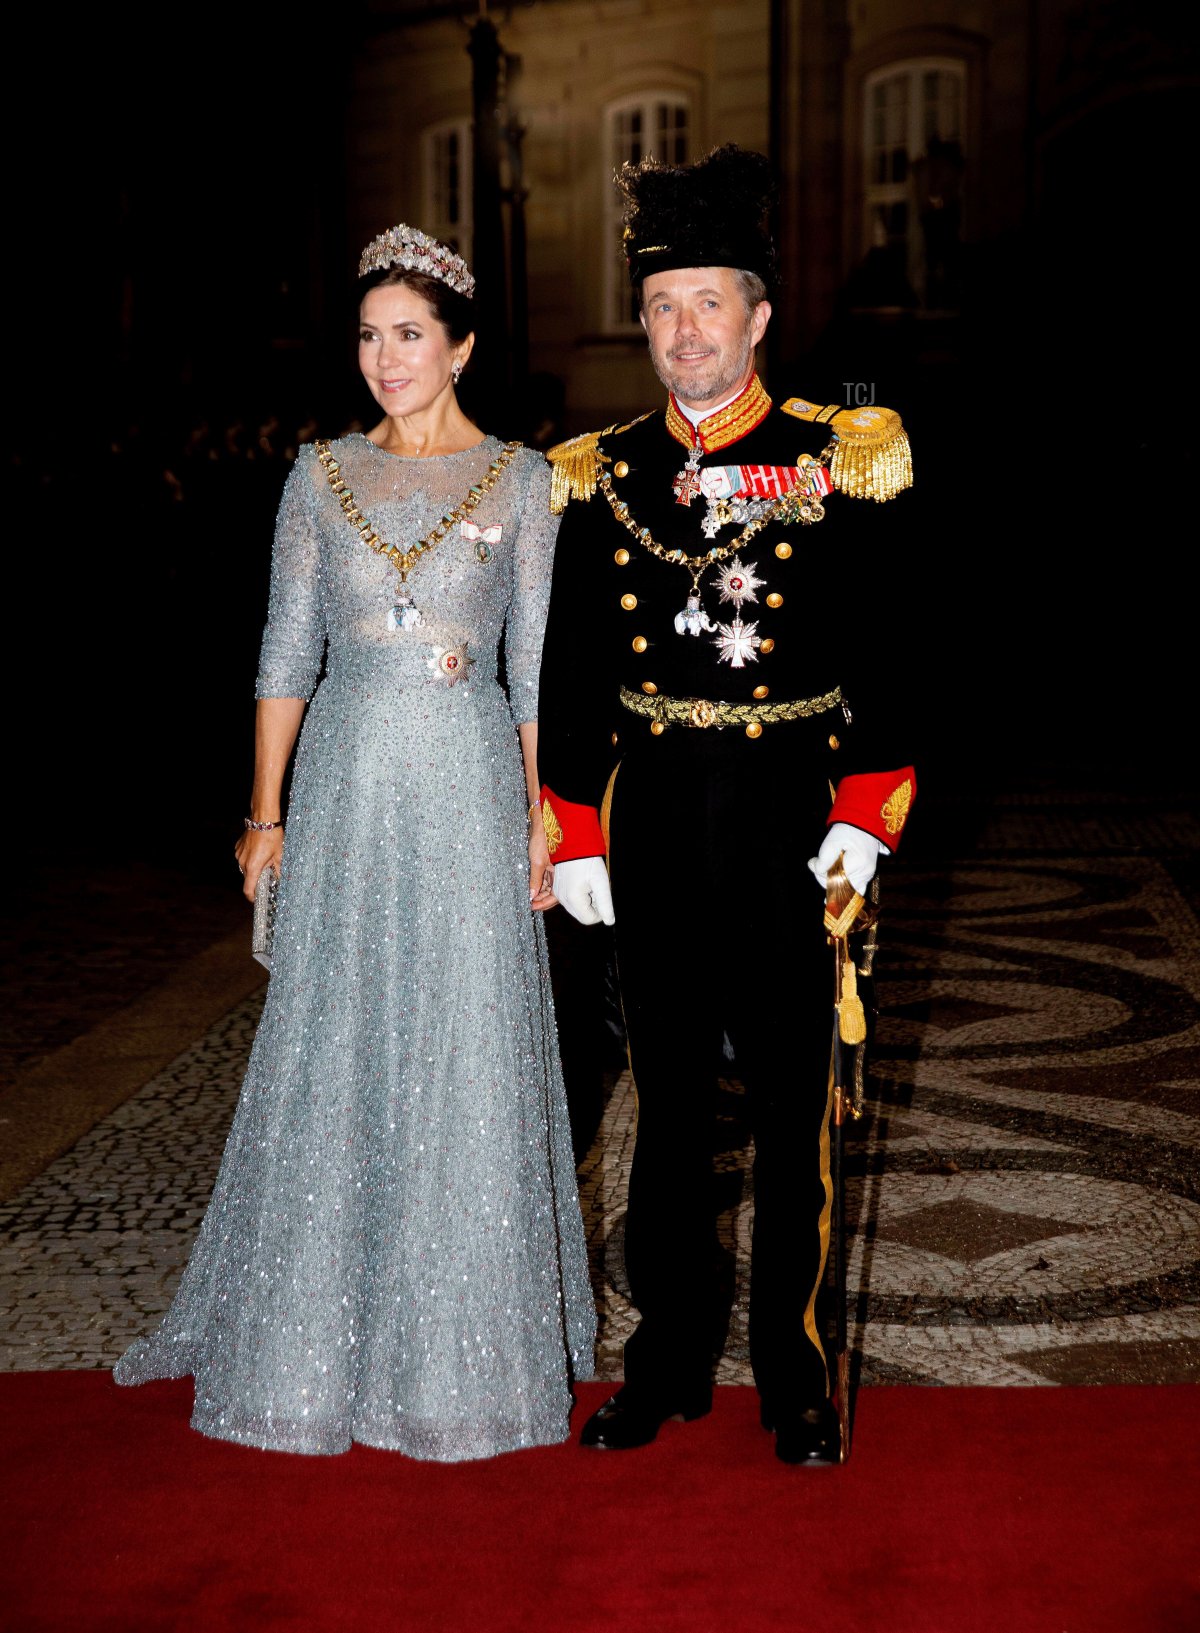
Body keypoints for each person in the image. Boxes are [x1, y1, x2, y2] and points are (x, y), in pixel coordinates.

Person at [114, 223, 596, 1460]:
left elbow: (538, 670)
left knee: (461, 1046)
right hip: (344, 784)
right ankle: (308, 1337)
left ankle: (457, 1355)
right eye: (372, 335)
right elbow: (284, 652)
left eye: (412, 336)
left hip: (469, 777)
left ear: (462, 346)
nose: (388, 357)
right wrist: (263, 814)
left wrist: (543, 817)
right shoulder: (317, 474)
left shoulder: (527, 480)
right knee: (336, 1039)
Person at [535, 145, 916, 1466]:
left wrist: (866, 812)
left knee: (801, 1106)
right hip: (651, 830)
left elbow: (901, 654)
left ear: (758, 316)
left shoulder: (841, 455)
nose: (681, 329)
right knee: (669, 1116)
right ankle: (668, 1359)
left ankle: (798, 1378)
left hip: (792, 825)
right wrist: (574, 827)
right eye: (659, 306)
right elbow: (574, 670)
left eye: (708, 302)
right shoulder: (599, 470)